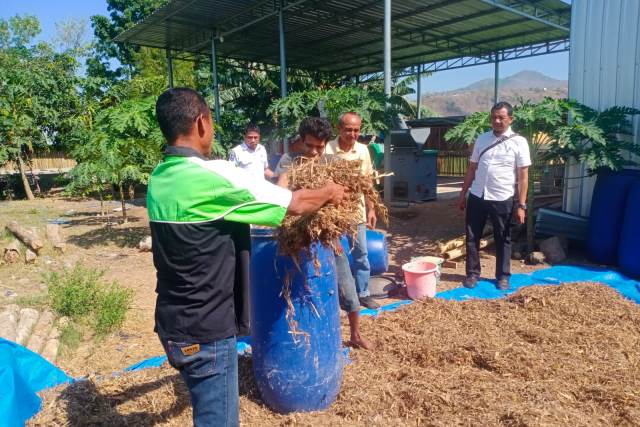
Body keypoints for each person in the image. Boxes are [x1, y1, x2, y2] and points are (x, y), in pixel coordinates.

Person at [148, 88, 346, 427]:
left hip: (173, 325)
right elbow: (293, 205)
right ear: (201, 122)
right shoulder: (213, 176)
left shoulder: (159, 178)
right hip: (207, 331)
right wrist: (329, 192)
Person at [276, 117, 374, 350]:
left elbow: (346, 194)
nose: (313, 152)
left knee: (346, 282)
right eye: (308, 145)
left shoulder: (330, 161)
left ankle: (356, 334)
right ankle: (297, 336)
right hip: (298, 234)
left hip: (328, 235)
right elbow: (281, 191)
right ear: (300, 140)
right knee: (296, 288)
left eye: (319, 147)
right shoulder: (289, 161)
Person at [456, 101, 531, 291]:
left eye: (501, 117)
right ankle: (472, 274)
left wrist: (521, 205)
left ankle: (503, 277)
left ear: (510, 119)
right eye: (494, 117)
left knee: (503, 238)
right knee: (472, 238)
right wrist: (463, 193)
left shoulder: (519, 142)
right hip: (477, 195)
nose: (497, 121)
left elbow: (523, 176)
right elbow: (472, 168)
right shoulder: (482, 139)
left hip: (502, 198)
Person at [324, 112, 380, 310]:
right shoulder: (327, 148)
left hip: (357, 211)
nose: (353, 134)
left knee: (361, 253)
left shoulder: (363, 150)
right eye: (348, 129)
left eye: (356, 130)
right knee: (336, 254)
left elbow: (367, 182)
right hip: (333, 213)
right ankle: (341, 294)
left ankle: (363, 293)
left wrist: (372, 210)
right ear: (339, 128)